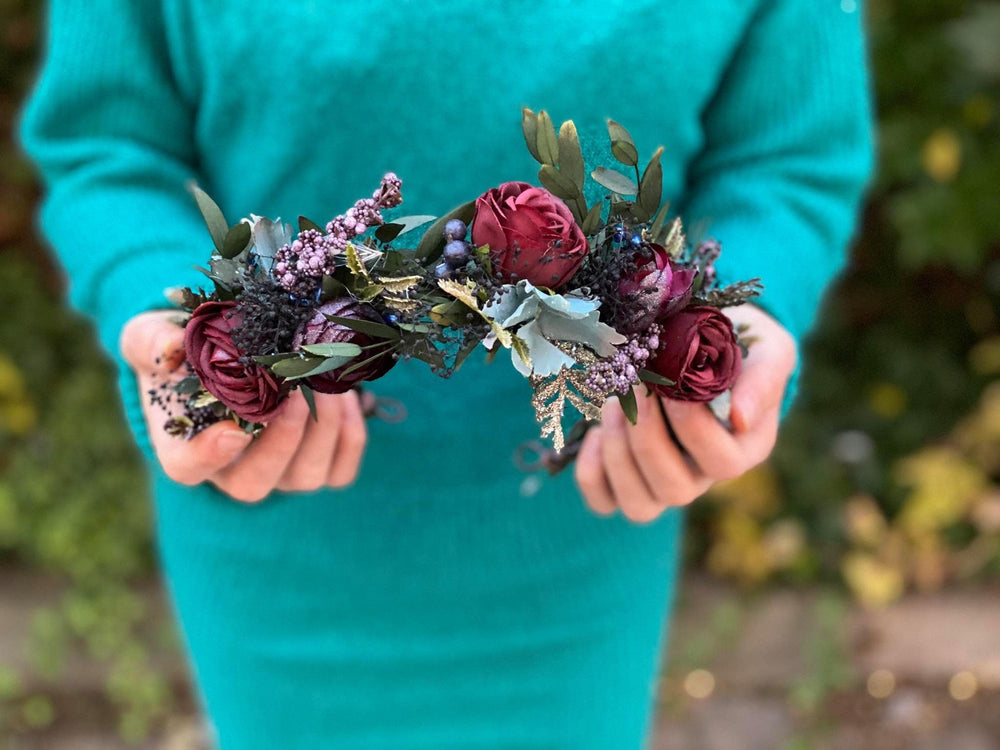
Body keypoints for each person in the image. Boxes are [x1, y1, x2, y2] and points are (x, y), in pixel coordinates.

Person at [19, 1, 873, 747]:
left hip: (576, 538)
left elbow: (785, 161)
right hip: (275, 526)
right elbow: (107, 149)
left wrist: (737, 331)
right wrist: (171, 329)